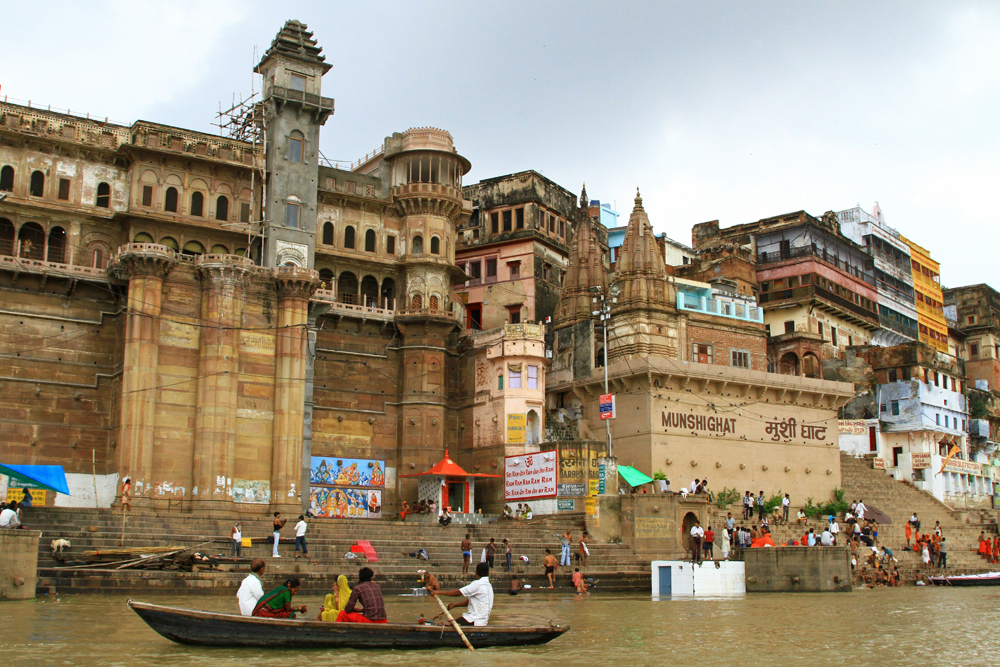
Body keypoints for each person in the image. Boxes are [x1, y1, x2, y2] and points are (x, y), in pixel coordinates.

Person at [431, 562, 494, 626]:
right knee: (452, 621)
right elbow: (469, 601)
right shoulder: (489, 586)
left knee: (448, 623)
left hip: (474, 620)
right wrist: (455, 605)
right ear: (488, 574)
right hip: (482, 621)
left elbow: (458, 593)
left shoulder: (477, 584)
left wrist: (438, 592)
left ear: (476, 573)